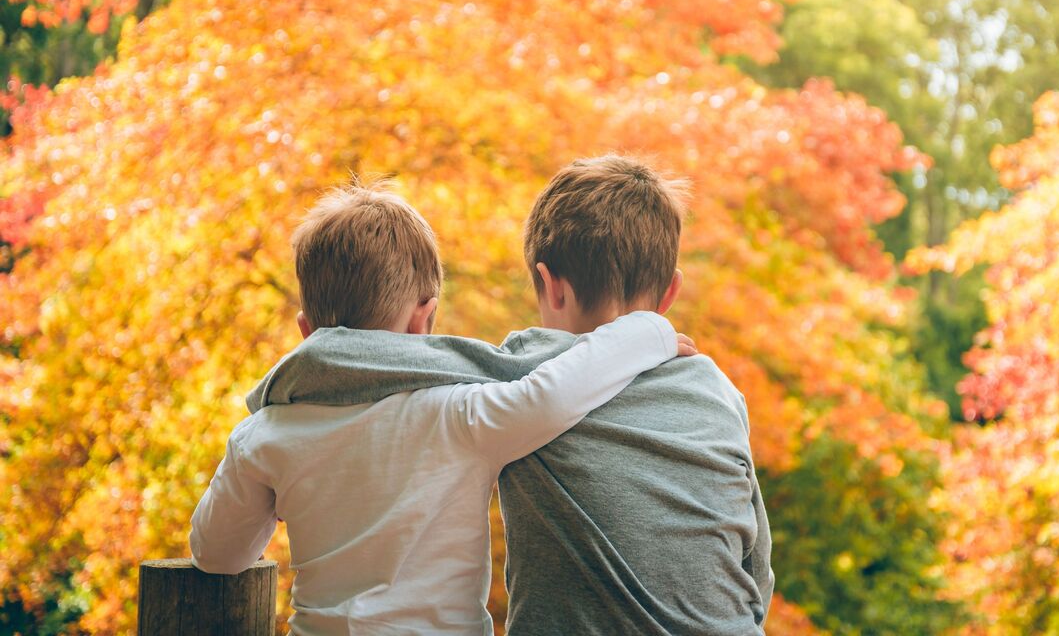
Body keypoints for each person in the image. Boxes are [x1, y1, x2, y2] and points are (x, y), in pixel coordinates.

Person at [253, 156, 774, 635]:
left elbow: (387, 354)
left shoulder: (528, 368)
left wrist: (289, 383)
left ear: (551, 286)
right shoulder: (718, 391)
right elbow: (756, 569)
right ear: (670, 293)